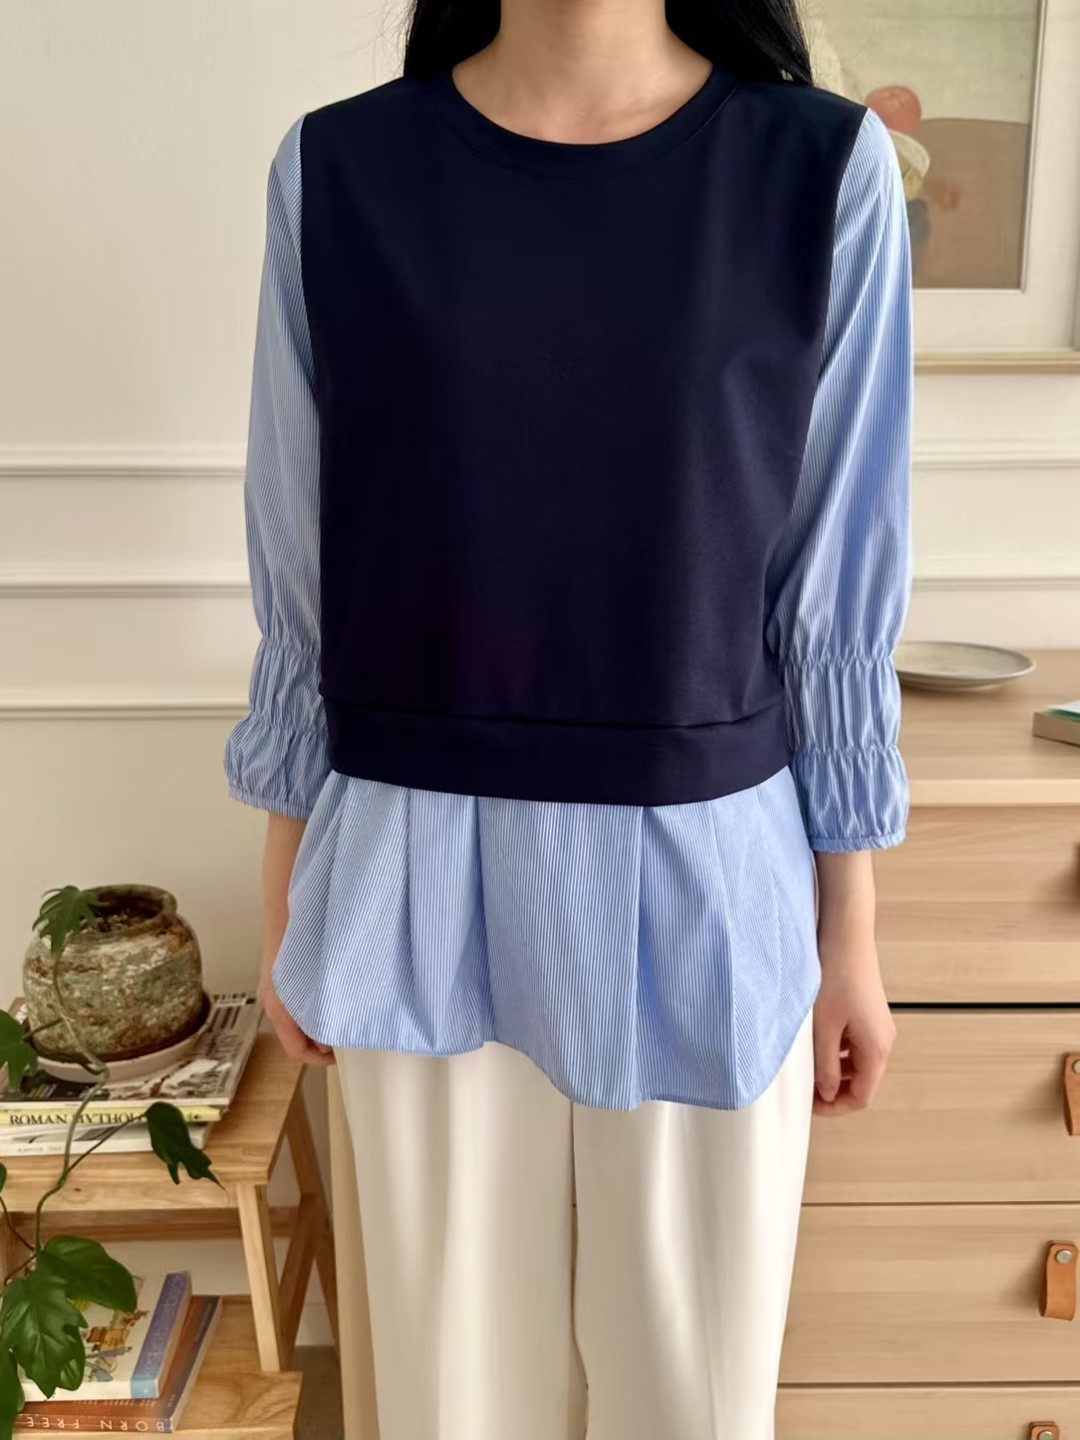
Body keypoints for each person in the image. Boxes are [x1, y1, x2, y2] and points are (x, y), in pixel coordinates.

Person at [224, 2, 913, 1436]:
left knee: (694, 1400)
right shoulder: (339, 175)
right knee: (452, 1400)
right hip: (409, 861)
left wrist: (850, 925)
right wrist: (287, 879)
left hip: (708, 869)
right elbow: (302, 562)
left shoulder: (819, 172)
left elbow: (834, 579)